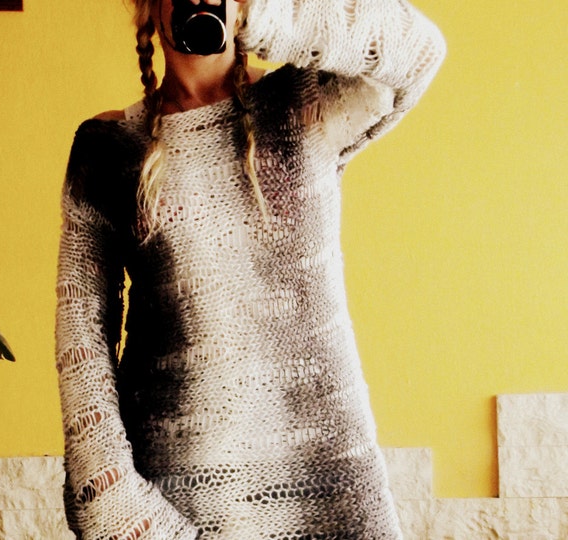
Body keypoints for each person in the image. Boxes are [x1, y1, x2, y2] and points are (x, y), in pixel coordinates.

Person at [55, 0, 446, 538]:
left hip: (333, 489)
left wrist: (263, 14)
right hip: (178, 504)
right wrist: (111, 500)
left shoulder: (306, 103)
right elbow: (81, 332)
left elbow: (417, 50)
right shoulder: (110, 145)